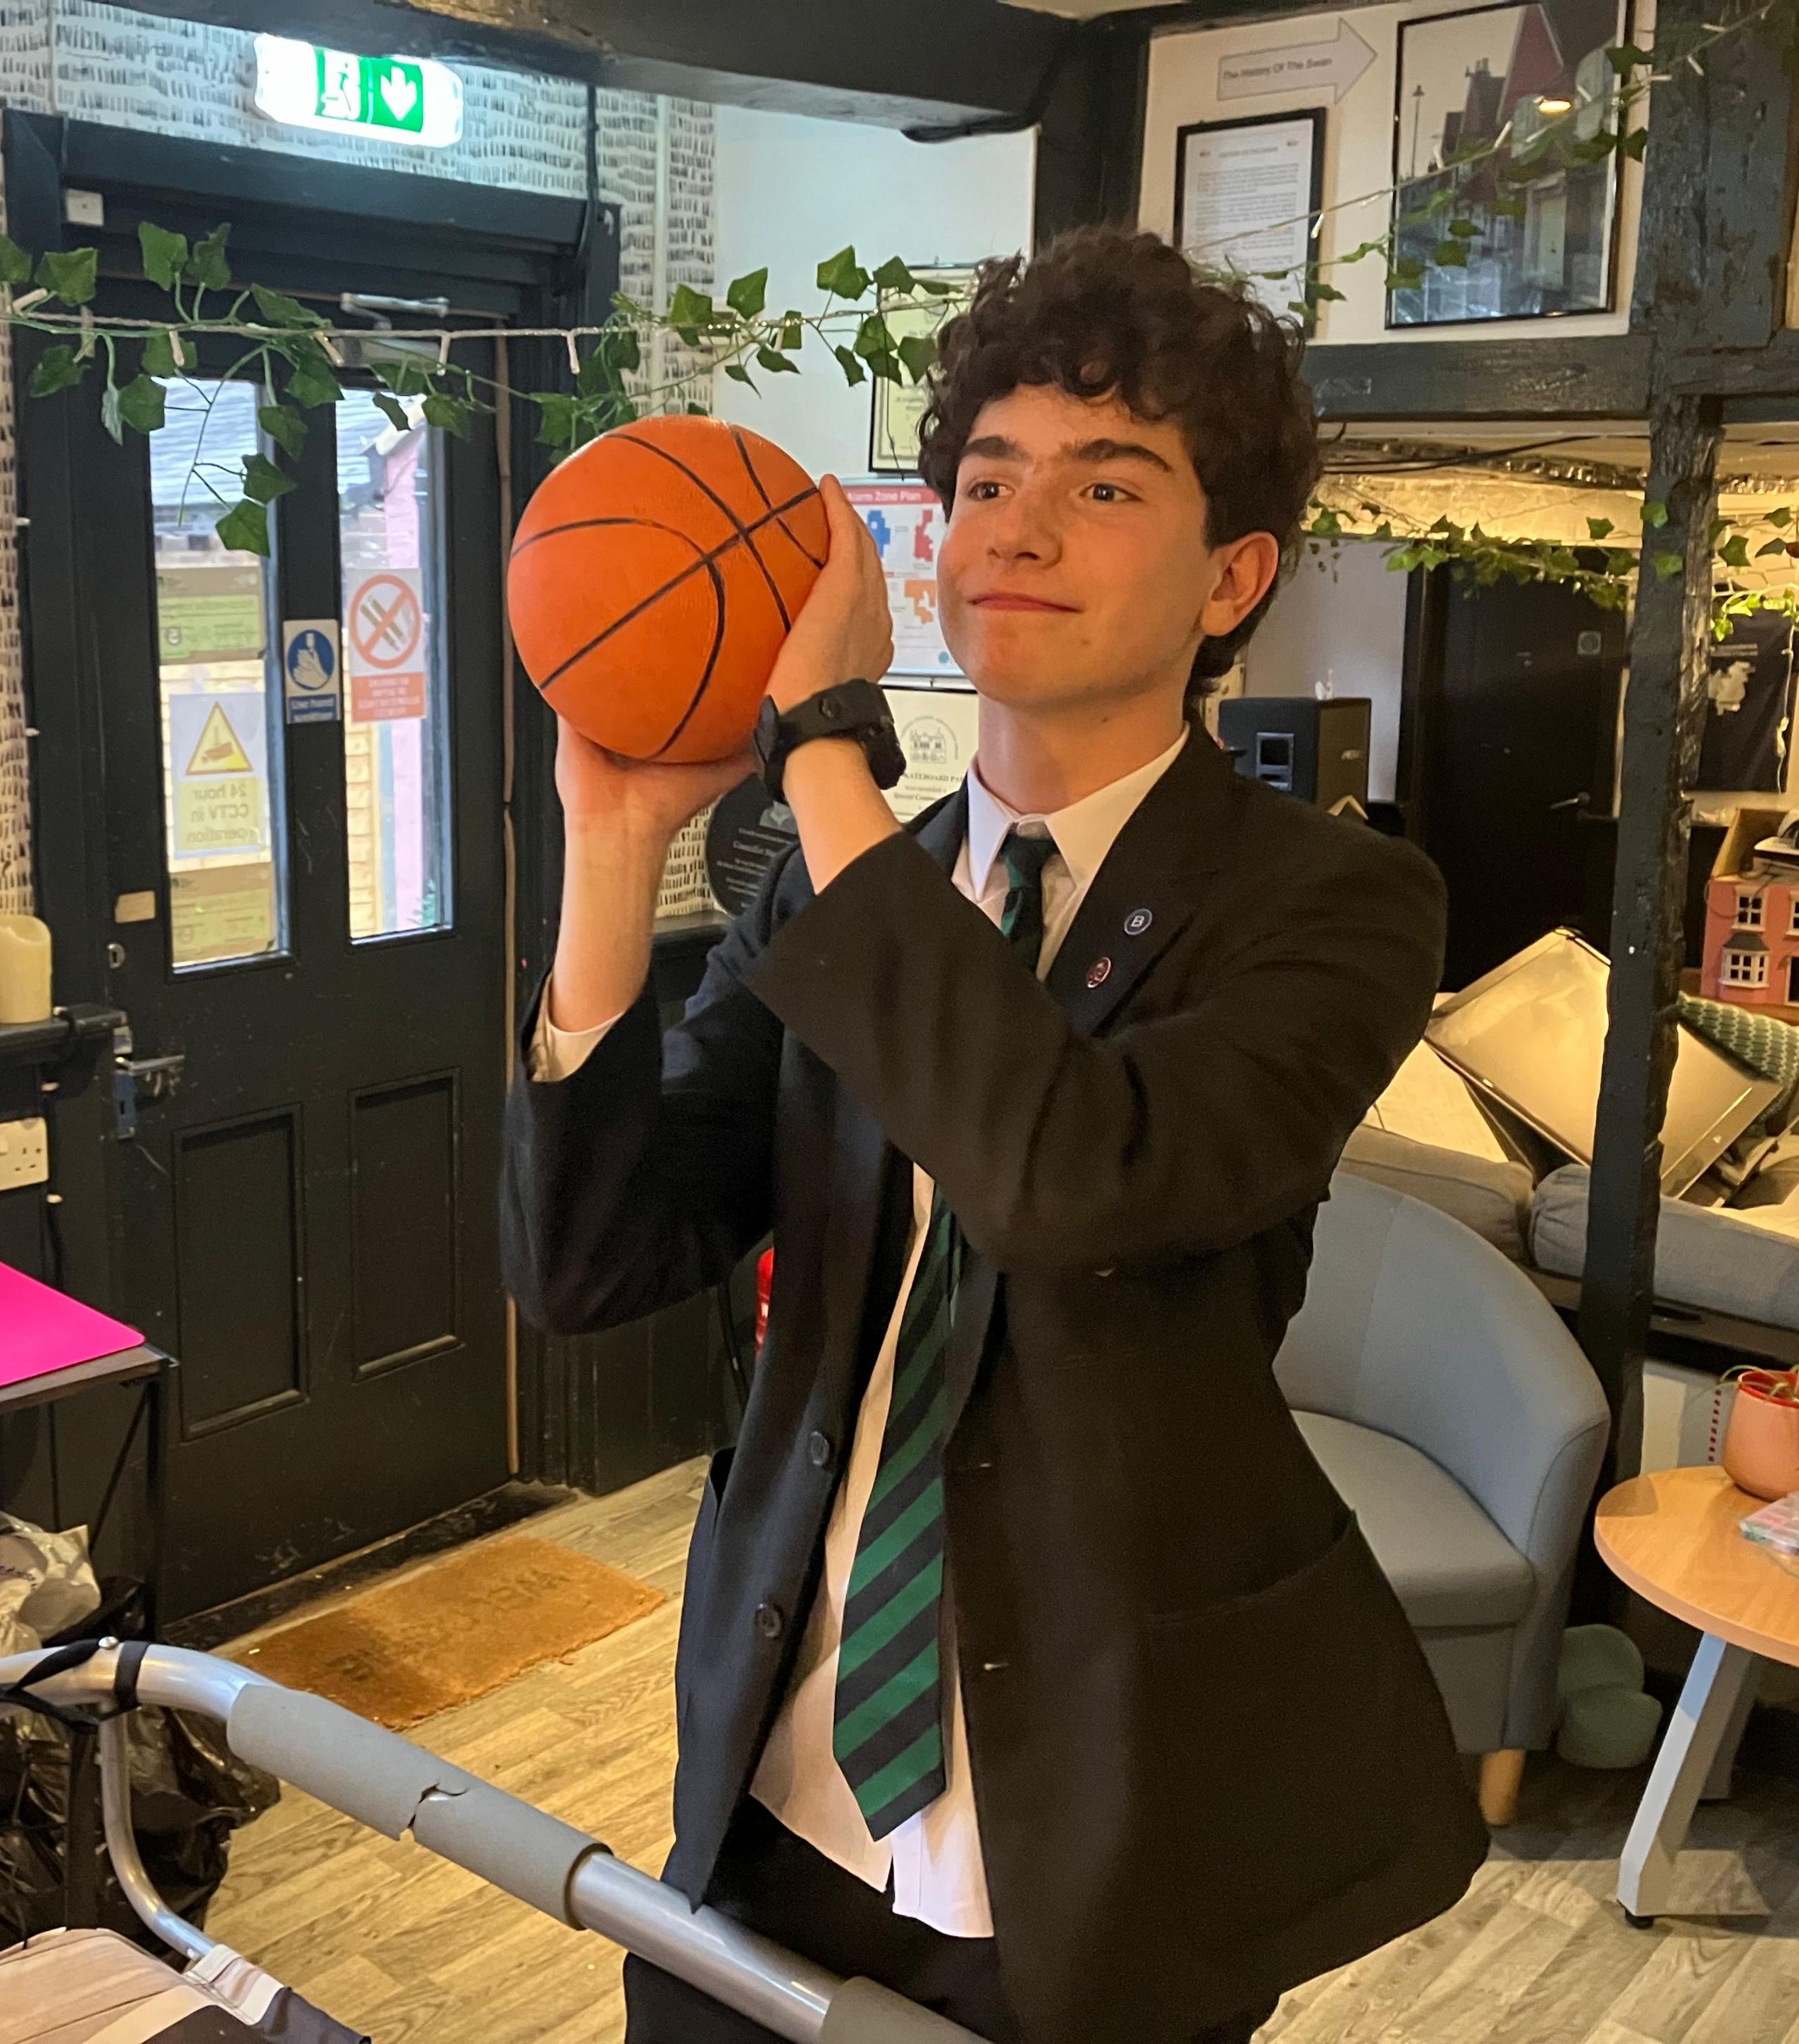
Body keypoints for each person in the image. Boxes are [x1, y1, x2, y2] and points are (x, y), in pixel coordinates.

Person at [500, 226, 1488, 2044]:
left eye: (1106, 483)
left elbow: (1073, 1175)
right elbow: (590, 1262)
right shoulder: (849, 882)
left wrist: (823, 753)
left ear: (1232, 575)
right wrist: (615, 837)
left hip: (1097, 1801)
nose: (1015, 530)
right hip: (775, 1761)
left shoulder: (1337, 903)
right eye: (983, 480)